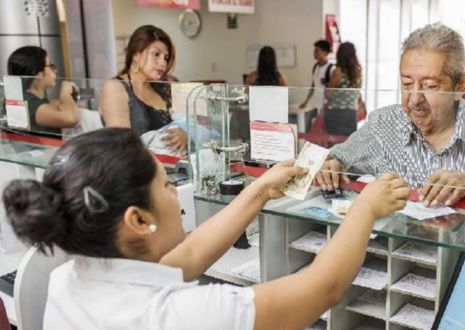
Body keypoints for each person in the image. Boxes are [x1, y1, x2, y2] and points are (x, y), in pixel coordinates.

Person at [3, 127, 409, 329]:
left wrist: (259, 192)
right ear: (138, 220)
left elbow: (190, 258)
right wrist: (366, 208)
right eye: (166, 184)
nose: (176, 194)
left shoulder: (68, 280)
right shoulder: (180, 315)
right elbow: (324, 288)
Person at [316, 23, 465, 206]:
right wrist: (330, 166)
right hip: (394, 248)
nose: (415, 99)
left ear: (461, 84)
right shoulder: (384, 123)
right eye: (407, 83)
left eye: (430, 85)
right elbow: (335, 158)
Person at [100, 25, 186, 152]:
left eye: (165, 58)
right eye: (156, 54)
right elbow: (123, 145)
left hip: (175, 165)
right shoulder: (115, 88)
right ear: (136, 54)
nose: (163, 63)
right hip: (138, 167)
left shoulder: (167, 86)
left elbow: (192, 124)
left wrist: (186, 135)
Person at [7, 46, 79, 138]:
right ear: (38, 74)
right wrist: (65, 93)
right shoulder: (30, 105)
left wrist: (72, 100)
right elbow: (71, 118)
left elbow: (50, 104)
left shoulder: (29, 98)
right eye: (51, 66)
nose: (55, 70)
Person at [324, 42, 362, 136]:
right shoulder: (358, 71)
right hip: (351, 113)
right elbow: (357, 92)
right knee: (348, 146)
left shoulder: (338, 71)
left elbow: (328, 94)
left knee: (334, 145)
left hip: (336, 113)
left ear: (340, 55)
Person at [299, 39, 335, 130]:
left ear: (325, 52)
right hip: (316, 105)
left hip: (326, 108)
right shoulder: (315, 67)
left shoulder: (331, 69)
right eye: (314, 51)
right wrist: (306, 102)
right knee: (313, 130)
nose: (314, 53)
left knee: (324, 131)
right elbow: (313, 85)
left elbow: (333, 91)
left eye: (317, 51)